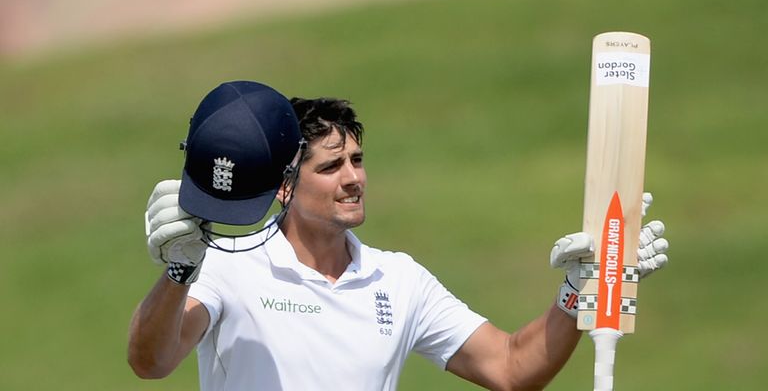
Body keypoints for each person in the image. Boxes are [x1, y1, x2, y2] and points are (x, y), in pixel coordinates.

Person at [128, 81, 669, 390]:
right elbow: (150, 362)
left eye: (358, 161)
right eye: (331, 166)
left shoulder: (400, 280)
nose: (353, 178)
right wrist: (179, 272)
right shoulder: (229, 263)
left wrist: (576, 294)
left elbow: (511, 367)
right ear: (284, 188)